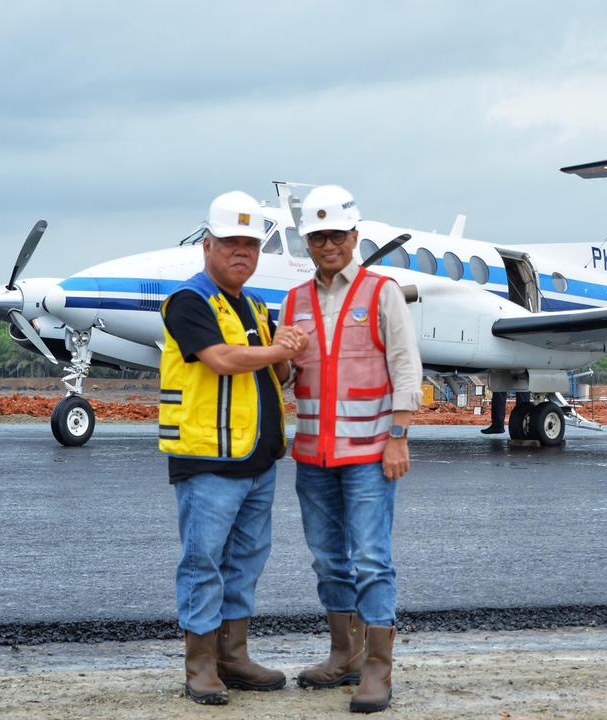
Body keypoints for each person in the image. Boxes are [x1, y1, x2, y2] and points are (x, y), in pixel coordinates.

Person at [158, 190, 310, 706]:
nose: (241, 253)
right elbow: (221, 359)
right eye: (230, 244)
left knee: (246, 559)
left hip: (257, 460)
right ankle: (200, 664)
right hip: (207, 460)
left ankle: (234, 656)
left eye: (250, 244)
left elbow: (277, 373)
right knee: (204, 561)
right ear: (208, 246)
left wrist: (289, 352)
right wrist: (276, 348)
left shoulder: (253, 305)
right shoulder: (189, 302)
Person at [281, 185, 423, 714]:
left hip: (369, 453)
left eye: (336, 235)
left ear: (354, 237)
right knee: (327, 561)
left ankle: (378, 670)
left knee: (370, 559)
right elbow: (286, 374)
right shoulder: (294, 301)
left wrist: (398, 436)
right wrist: (278, 357)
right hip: (314, 454)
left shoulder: (380, 291)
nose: (327, 244)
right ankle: (344, 654)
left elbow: (406, 366)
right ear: (307, 242)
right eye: (317, 236)